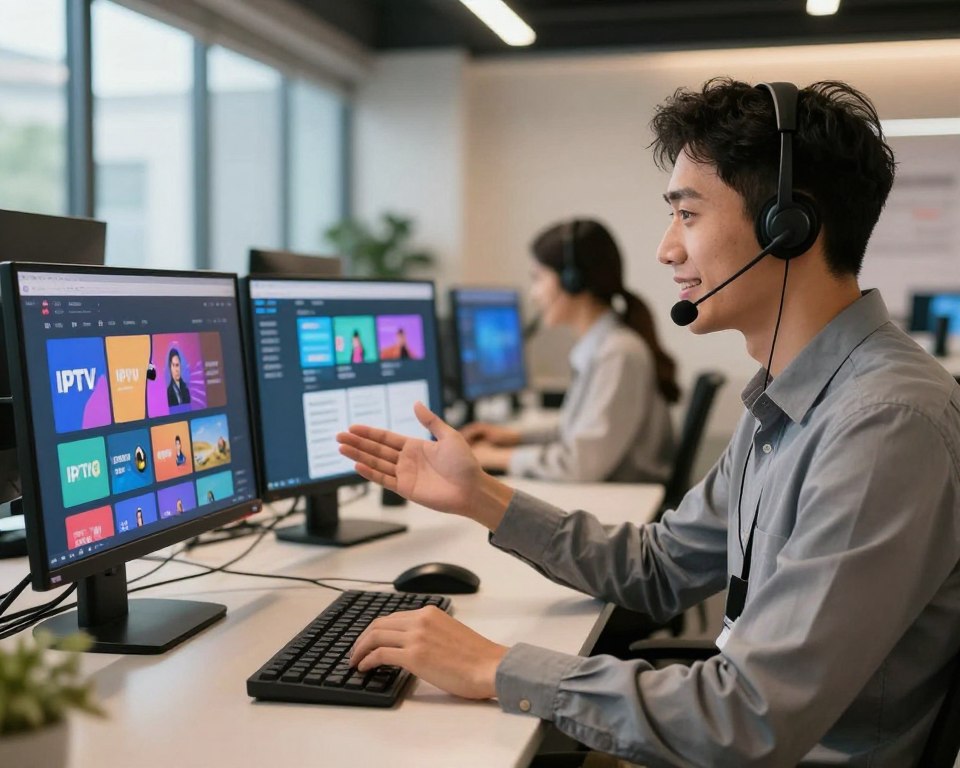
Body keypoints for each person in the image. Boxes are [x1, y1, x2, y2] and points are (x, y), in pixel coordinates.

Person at [336, 78, 960, 766]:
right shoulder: (788, 398)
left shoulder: (884, 425)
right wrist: (479, 495)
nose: (666, 250)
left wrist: (495, 668)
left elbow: (748, 719)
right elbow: (657, 568)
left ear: (788, 227)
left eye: (687, 215)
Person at [462, 219, 679, 482]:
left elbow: (579, 464)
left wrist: (494, 457)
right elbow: (577, 433)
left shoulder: (617, 353)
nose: (533, 294)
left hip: (623, 497)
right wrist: (514, 438)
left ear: (572, 281)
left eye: (538, 278)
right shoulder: (604, 346)